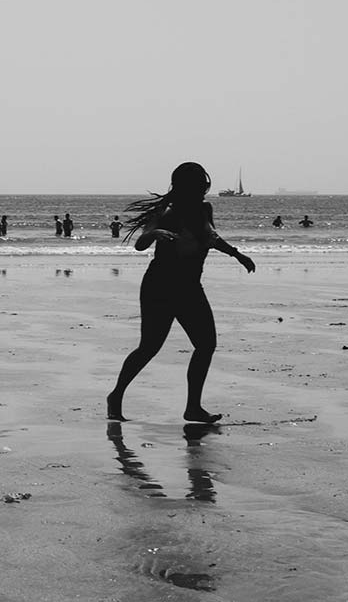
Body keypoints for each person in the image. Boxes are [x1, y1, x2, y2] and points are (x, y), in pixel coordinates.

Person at [107, 161, 255, 424]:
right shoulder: (164, 211)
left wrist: (237, 254)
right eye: (199, 185)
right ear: (186, 187)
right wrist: (156, 233)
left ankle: (193, 408)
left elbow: (212, 237)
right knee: (149, 347)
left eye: (204, 185)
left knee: (206, 344)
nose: (204, 190)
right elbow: (140, 245)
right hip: (160, 285)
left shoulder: (204, 209)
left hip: (190, 287)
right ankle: (116, 395)